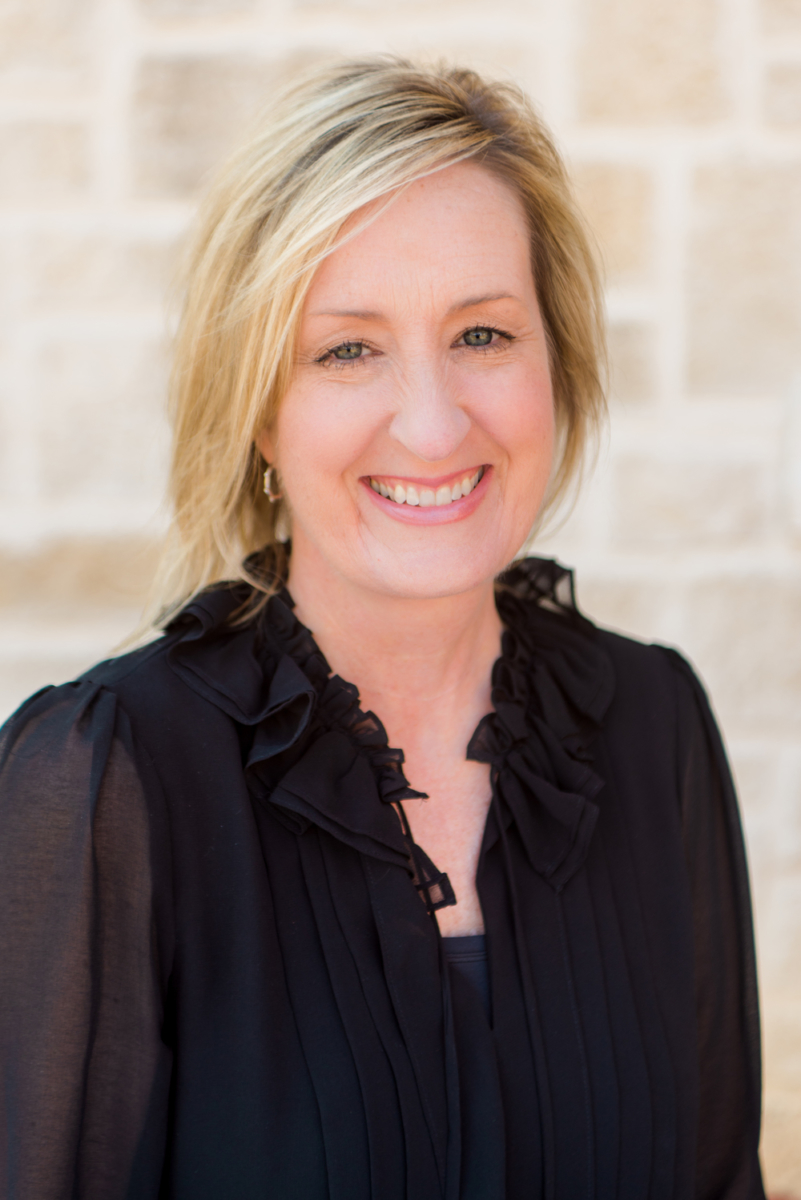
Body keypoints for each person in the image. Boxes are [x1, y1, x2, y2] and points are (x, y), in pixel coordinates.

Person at [0, 59, 765, 1199]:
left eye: (485, 335)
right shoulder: (107, 776)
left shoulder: (657, 727)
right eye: (347, 349)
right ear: (258, 406)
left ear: (555, 360)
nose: (431, 420)